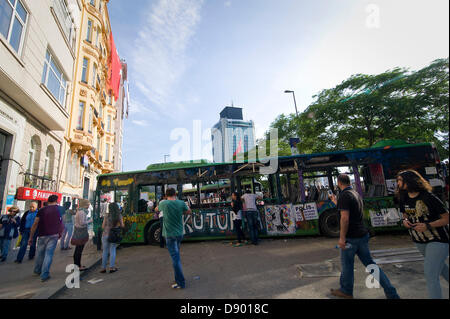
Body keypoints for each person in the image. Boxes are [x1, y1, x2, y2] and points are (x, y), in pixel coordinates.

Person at [328, 174, 400, 299]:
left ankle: (346, 291)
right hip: (362, 235)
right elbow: (349, 210)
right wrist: (335, 201)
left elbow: (345, 218)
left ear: (339, 183)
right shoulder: (355, 193)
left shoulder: (344, 195)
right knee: (371, 265)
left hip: (351, 237)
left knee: (347, 266)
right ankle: (391, 293)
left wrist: (341, 238)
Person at [397, 170, 449, 299]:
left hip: (438, 239)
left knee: (430, 274)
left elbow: (446, 218)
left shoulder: (428, 197)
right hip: (419, 240)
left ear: (409, 181)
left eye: (400, 180)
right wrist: (405, 221)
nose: (397, 183)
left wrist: (428, 225)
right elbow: (404, 215)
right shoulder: (403, 197)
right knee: (441, 268)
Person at [156, 188, 191, 289]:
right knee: (176, 256)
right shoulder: (181, 203)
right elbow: (189, 212)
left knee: (176, 259)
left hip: (169, 235)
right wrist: (181, 212)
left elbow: (156, 209)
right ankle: (177, 279)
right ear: (175, 194)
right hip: (179, 234)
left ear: (166, 195)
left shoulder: (164, 203)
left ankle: (181, 282)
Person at [29, 195, 63, 282]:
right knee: (49, 254)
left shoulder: (42, 210)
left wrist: (31, 237)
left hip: (42, 235)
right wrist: (61, 233)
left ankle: (37, 270)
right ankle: (44, 274)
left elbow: (35, 224)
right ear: (56, 200)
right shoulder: (59, 209)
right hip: (54, 235)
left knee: (40, 253)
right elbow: (63, 222)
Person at [100, 202, 124, 273]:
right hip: (113, 235)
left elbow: (103, 226)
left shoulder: (106, 215)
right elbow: (122, 225)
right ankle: (111, 267)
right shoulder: (119, 215)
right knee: (112, 250)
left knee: (105, 251)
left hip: (105, 234)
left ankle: (103, 268)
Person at [73, 199, 92, 271]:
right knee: (79, 249)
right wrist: (90, 221)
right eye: (88, 204)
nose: (88, 206)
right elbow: (82, 223)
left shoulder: (80, 211)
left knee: (78, 249)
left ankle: (77, 265)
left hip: (79, 231)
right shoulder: (82, 212)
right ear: (84, 205)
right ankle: (77, 266)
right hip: (80, 232)